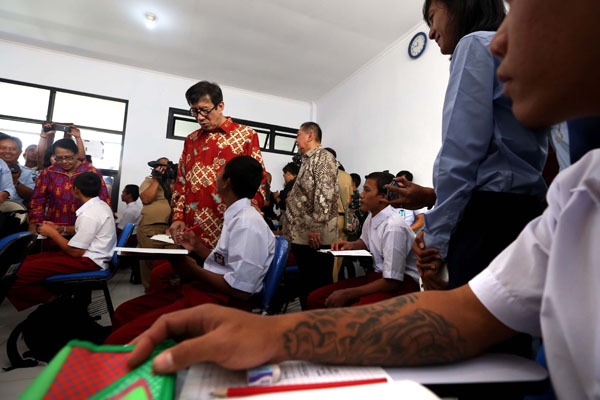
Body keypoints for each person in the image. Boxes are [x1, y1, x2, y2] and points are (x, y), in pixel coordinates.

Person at [127, 2, 600, 397]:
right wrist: (272, 334)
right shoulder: (575, 199)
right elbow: (470, 314)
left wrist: (430, 234)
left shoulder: (477, 51)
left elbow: (461, 157)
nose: (498, 42)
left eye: (521, 6)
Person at [403, 0, 548, 291]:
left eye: (432, 18)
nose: (431, 33)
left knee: (465, 323)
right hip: (525, 210)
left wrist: (436, 238)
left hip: (487, 215)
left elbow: (460, 154)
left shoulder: (475, 45)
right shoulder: (520, 53)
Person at [105, 156, 275, 344]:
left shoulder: (247, 224)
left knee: (121, 339)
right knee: (125, 312)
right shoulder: (236, 216)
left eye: (220, 173)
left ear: (227, 182)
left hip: (221, 304)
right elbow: (225, 263)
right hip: (205, 292)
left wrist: (193, 268)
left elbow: (241, 291)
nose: (216, 177)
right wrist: (198, 247)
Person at [169, 81, 267, 249]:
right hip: (193, 231)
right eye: (194, 111)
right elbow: (181, 182)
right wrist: (178, 216)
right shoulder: (191, 141)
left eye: (205, 110)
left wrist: (251, 211)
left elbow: (259, 180)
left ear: (220, 106)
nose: (199, 117)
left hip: (229, 227)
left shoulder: (246, 136)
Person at [307, 172, 420, 309]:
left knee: (354, 310)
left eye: (367, 190)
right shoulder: (372, 216)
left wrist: (349, 293)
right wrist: (350, 245)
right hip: (379, 277)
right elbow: (365, 242)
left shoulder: (393, 227)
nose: (361, 195)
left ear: (383, 197)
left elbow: (393, 281)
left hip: (399, 284)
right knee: (316, 298)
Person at [7, 172, 116, 311]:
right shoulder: (100, 205)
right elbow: (83, 231)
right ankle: (56, 301)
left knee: (14, 274)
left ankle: (57, 304)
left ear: (75, 189)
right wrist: (60, 228)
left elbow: (76, 252)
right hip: (89, 256)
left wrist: (52, 233)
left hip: (88, 260)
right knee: (26, 261)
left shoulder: (90, 214)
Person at [283, 122, 338, 309]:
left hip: (315, 237)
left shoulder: (323, 157)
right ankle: (307, 319)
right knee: (307, 282)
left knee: (317, 284)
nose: (296, 140)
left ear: (310, 135)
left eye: (298, 135)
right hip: (303, 235)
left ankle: (319, 324)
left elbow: (325, 193)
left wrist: (316, 228)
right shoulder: (307, 160)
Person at [28, 138, 110, 230]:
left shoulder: (92, 172)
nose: (64, 161)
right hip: (54, 226)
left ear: (76, 154)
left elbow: (104, 199)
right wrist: (35, 222)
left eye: (68, 157)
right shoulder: (49, 172)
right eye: (59, 158)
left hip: (86, 226)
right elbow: (38, 200)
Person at [136, 157, 179, 290]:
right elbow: (146, 199)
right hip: (150, 227)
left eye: (167, 167)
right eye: (161, 166)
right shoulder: (149, 181)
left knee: (172, 264)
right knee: (149, 262)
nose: (164, 170)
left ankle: (168, 296)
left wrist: (173, 180)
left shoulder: (176, 182)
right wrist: (156, 180)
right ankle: (150, 293)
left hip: (172, 228)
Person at [324, 147, 354, 282]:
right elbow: (349, 200)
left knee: (326, 257)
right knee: (338, 257)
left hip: (327, 220)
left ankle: (328, 288)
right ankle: (335, 285)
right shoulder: (347, 176)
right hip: (344, 220)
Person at [0, 135, 36, 205]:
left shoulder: (30, 173)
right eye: (3, 148)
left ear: (20, 152)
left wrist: (15, 181)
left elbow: (32, 196)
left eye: (13, 149)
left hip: (13, 211)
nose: (8, 151)